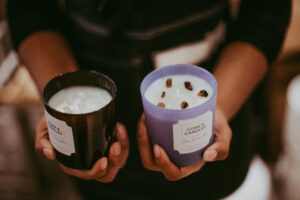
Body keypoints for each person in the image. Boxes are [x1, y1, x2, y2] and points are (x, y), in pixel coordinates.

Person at [7, 0, 291, 199]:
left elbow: (267, 10)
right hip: (98, 152)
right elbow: (30, 8)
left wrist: (219, 108)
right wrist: (66, 103)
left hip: (210, 153)